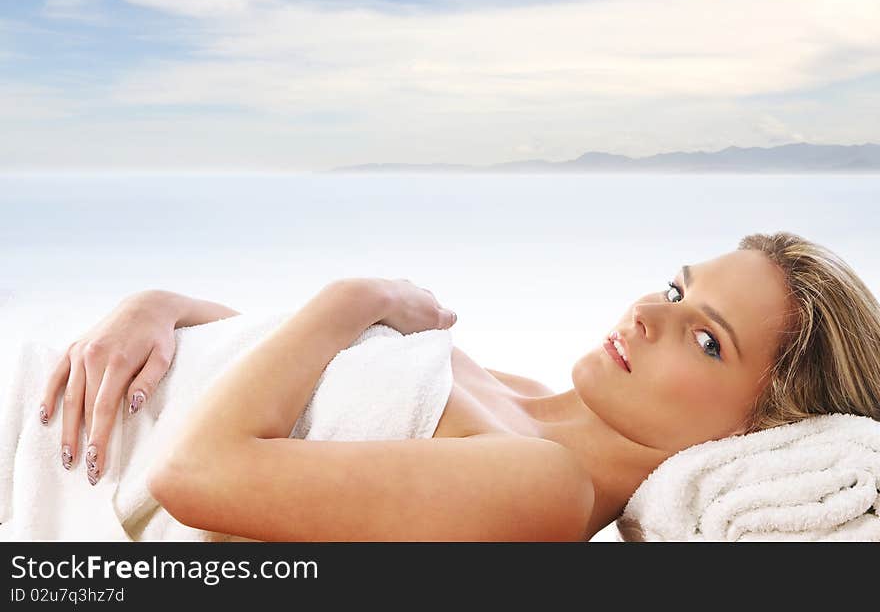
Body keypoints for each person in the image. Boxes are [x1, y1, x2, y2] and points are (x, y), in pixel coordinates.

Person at [38, 231, 880, 541]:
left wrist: (353, 298)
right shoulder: (522, 397)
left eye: (705, 339)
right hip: (69, 376)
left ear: (758, 429)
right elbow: (281, 378)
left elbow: (197, 477)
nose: (648, 316)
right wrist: (162, 305)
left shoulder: (545, 486)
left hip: (43, 451)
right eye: (675, 288)